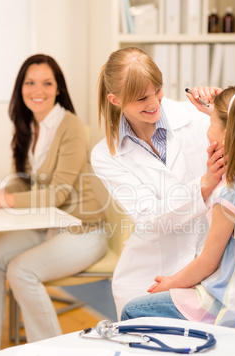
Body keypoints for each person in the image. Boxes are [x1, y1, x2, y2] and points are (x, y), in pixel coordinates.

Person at [91, 46, 224, 319]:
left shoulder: (199, 118)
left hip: (213, 266)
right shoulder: (106, 155)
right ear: (115, 100)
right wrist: (205, 183)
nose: (154, 103)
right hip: (149, 274)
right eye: (141, 98)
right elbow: (151, 218)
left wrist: (224, 111)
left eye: (158, 90)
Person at [121, 86, 235, 328]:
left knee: (132, 311)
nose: (208, 127)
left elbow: (208, 262)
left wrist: (171, 282)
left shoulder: (230, 195)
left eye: (212, 122)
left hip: (228, 304)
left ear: (226, 135)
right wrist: (215, 112)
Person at [0, 54, 107, 350]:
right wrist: (3, 189)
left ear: (58, 89)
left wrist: (3, 199)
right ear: (21, 88)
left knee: (21, 270)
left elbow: (57, 193)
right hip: (48, 228)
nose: (37, 90)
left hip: (83, 230)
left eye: (47, 83)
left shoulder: (69, 126)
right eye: (30, 83)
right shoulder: (30, 125)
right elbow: (27, 179)